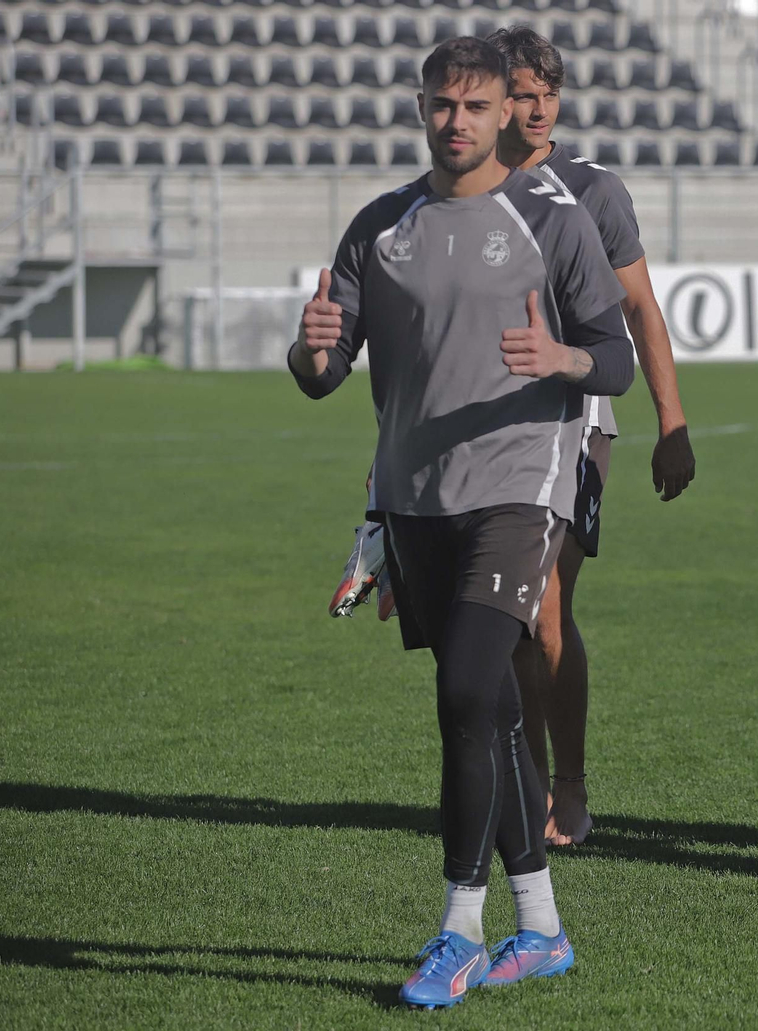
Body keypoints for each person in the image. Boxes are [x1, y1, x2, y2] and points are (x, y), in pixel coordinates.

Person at [288, 37, 633, 1007]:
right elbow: (326, 370)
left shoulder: (552, 221)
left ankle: (458, 929)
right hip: (416, 494)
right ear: (422, 107)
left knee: (469, 685)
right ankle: (545, 926)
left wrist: (561, 359)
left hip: (523, 484)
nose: (457, 122)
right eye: (442, 105)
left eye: (475, 107)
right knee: (491, 706)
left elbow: (614, 358)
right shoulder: (380, 226)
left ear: (502, 115)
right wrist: (309, 352)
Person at [485, 25, 696, 847]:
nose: (538, 109)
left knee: (544, 608)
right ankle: (525, 781)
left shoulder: (593, 190)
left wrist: (670, 422)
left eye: (549, 93)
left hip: (578, 422)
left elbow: (640, 309)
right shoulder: (467, 188)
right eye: (523, 94)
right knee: (499, 618)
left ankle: (566, 786)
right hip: (486, 427)